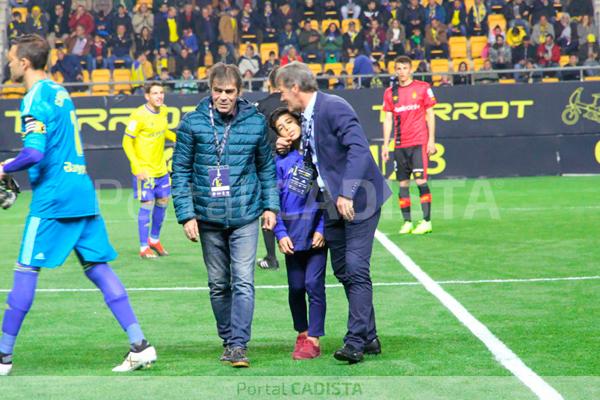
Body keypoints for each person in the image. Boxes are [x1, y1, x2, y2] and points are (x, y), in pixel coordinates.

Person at [0, 34, 156, 376]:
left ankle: (2, 358)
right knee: (98, 268)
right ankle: (140, 346)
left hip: (53, 198)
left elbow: (34, 152)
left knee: (26, 268)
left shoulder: (33, 99)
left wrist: (2, 167)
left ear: (24, 63)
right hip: (81, 191)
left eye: (11, 58)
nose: (9, 63)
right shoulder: (60, 91)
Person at [276, 62, 392, 364]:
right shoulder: (308, 116)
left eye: (282, 92)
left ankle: (354, 342)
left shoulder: (333, 107)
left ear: (295, 88)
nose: (281, 99)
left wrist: (346, 192)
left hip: (358, 200)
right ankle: (369, 337)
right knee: (342, 270)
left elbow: (359, 150)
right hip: (332, 204)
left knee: (354, 268)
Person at [172, 63, 279, 368]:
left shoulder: (256, 123)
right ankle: (228, 337)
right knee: (219, 284)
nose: (223, 97)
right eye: (218, 91)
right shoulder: (192, 123)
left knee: (243, 280)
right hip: (207, 217)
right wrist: (186, 215)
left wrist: (270, 207)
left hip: (245, 214)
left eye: (229, 92)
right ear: (210, 90)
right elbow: (180, 172)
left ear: (239, 92)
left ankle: (238, 344)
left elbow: (266, 168)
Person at [269, 107, 327, 360]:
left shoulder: (316, 157)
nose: (287, 129)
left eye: (290, 123)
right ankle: (302, 333)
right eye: (281, 128)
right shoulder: (278, 162)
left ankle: (314, 339)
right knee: (295, 288)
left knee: (314, 285)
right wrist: (280, 233)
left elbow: (327, 194)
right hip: (291, 236)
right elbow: (273, 201)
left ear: (300, 123)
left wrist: (322, 228)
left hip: (316, 234)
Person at [382, 56, 437, 235]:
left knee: (421, 181)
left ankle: (426, 221)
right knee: (403, 184)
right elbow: (388, 119)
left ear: (411, 70)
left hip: (418, 142)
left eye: (405, 68)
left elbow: (430, 114)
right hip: (399, 145)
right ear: (395, 70)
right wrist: (385, 144)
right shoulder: (390, 92)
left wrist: (431, 140)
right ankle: (407, 222)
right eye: (399, 68)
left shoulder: (423, 88)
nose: (402, 72)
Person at [123, 81, 176, 259]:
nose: (159, 96)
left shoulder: (164, 111)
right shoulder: (138, 115)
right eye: (155, 93)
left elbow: (163, 131)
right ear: (147, 96)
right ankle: (143, 246)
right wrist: (136, 166)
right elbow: (126, 142)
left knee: (163, 202)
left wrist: (177, 137)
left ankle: (154, 240)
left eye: (161, 92)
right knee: (147, 204)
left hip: (161, 168)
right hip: (144, 170)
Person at [255, 68, 284, 270]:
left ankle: (271, 258)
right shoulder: (293, 104)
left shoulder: (261, 106)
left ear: (269, 83)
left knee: (269, 208)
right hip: (293, 160)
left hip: (269, 162)